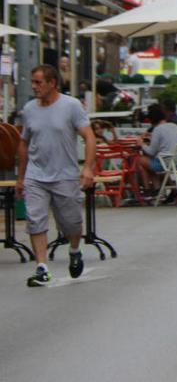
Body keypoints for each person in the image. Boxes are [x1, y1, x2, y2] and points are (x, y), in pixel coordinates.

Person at [16, 65, 96, 287]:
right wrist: (21, 177)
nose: (34, 86)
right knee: (35, 219)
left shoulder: (71, 106)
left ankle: (74, 249)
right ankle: (42, 268)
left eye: (38, 82)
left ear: (52, 83)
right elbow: (24, 143)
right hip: (36, 175)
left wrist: (87, 168)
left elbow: (89, 137)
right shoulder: (30, 108)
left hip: (65, 175)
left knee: (71, 223)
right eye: (32, 82)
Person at [136, 103, 177, 196]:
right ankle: (157, 189)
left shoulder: (157, 129)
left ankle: (148, 190)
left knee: (140, 160)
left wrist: (141, 144)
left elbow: (151, 152)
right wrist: (152, 137)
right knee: (150, 163)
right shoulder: (174, 126)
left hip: (167, 163)